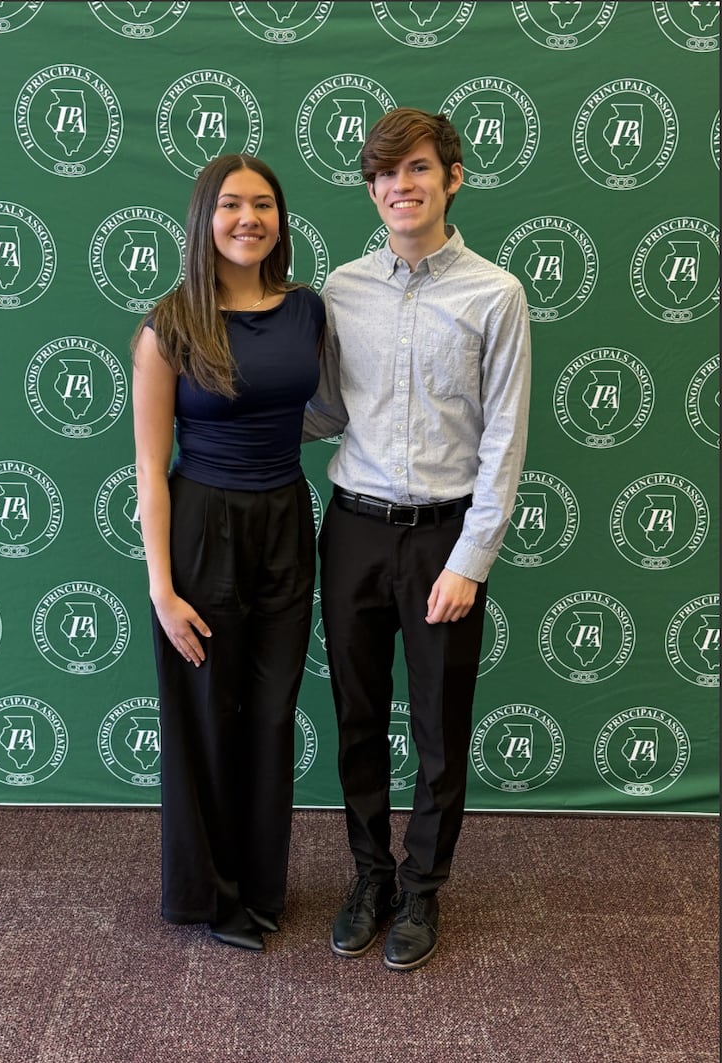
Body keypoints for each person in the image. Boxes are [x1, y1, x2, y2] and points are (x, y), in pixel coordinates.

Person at [304, 109, 531, 971]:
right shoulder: (341, 288)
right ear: (371, 190)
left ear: (452, 178)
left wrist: (471, 561)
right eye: (384, 174)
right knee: (357, 716)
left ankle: (425, 888)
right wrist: (237, 401)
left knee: (440, 727)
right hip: (353, 528)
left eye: (417, 170)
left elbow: (505, 439)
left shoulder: (495, 294)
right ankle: (370, 877)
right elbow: (325, 411)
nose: (400, 186)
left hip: (445, 534)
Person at [132, 154, 324, 953]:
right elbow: (148, 465)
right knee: (209, 713)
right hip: (201, 525)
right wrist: (162, 590)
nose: (250, 218)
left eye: (265, 206)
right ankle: (210, 896)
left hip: (286, 516)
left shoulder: (308, 309)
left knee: (273, 712)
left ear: (281, 221)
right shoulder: (169, 323)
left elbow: (333, 409)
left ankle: (261, 883)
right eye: (232, 205)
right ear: (204, 217)